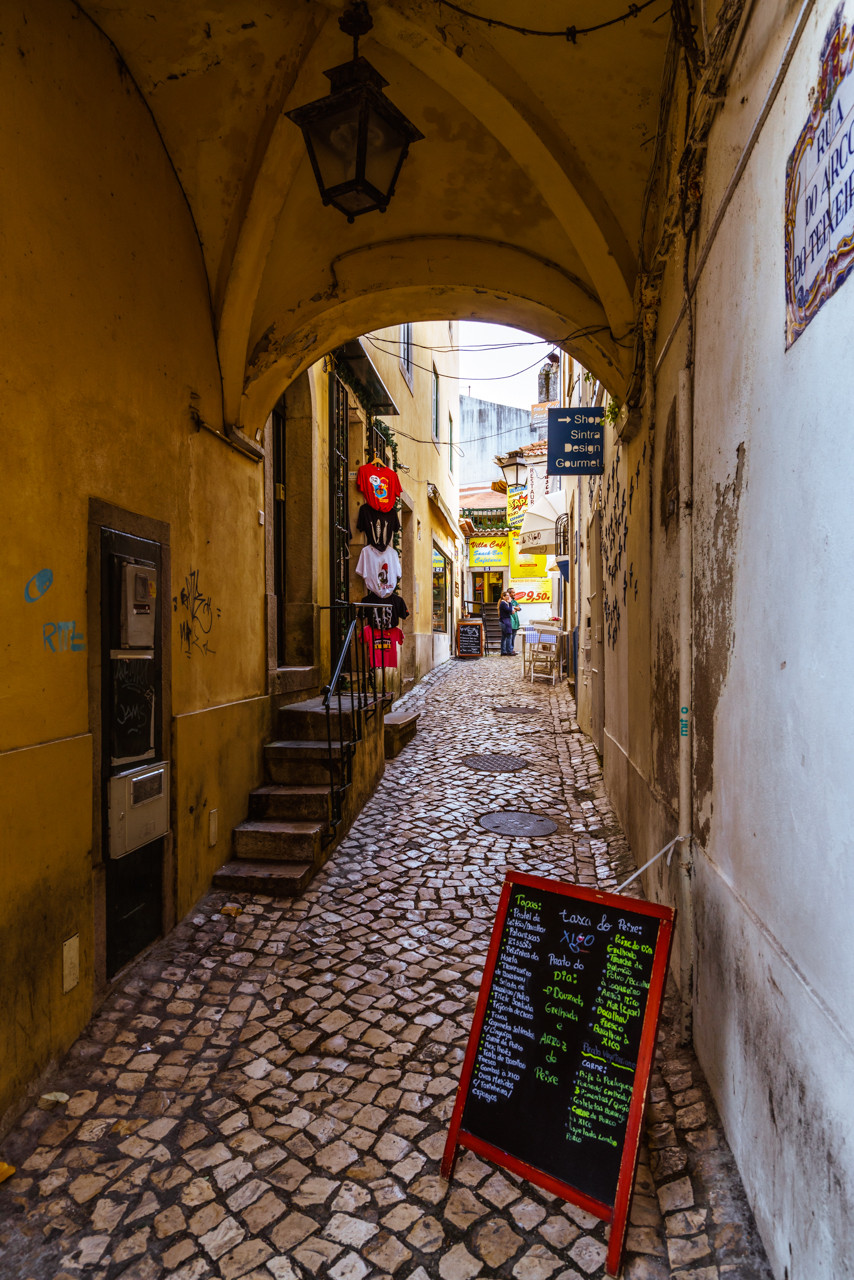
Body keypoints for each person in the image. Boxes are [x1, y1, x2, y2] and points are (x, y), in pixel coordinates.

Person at [498, 591, 514, 656]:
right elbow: (509, 610)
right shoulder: (503, 603)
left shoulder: (504, 603)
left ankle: (503, 651)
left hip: (504, 621)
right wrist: (510, 603)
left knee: (504, 636)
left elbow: (509, 611)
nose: (508, 596)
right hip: (505, 622)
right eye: (507, 595)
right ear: (503, 597)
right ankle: (509, 651)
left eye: (508, 595)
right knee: (509, 636)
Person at [508, 588, 521, 654]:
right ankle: (509, 650)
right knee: (510, 636)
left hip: (515, 621)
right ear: (509, 593)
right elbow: (510, 609)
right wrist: (515, 608)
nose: (514, 594)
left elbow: (519, 608)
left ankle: (511, 649)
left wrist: (514, 607)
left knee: (513, 636)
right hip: (510, 620)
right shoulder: (507, 601)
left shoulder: (514, 601)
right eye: (513, 592)